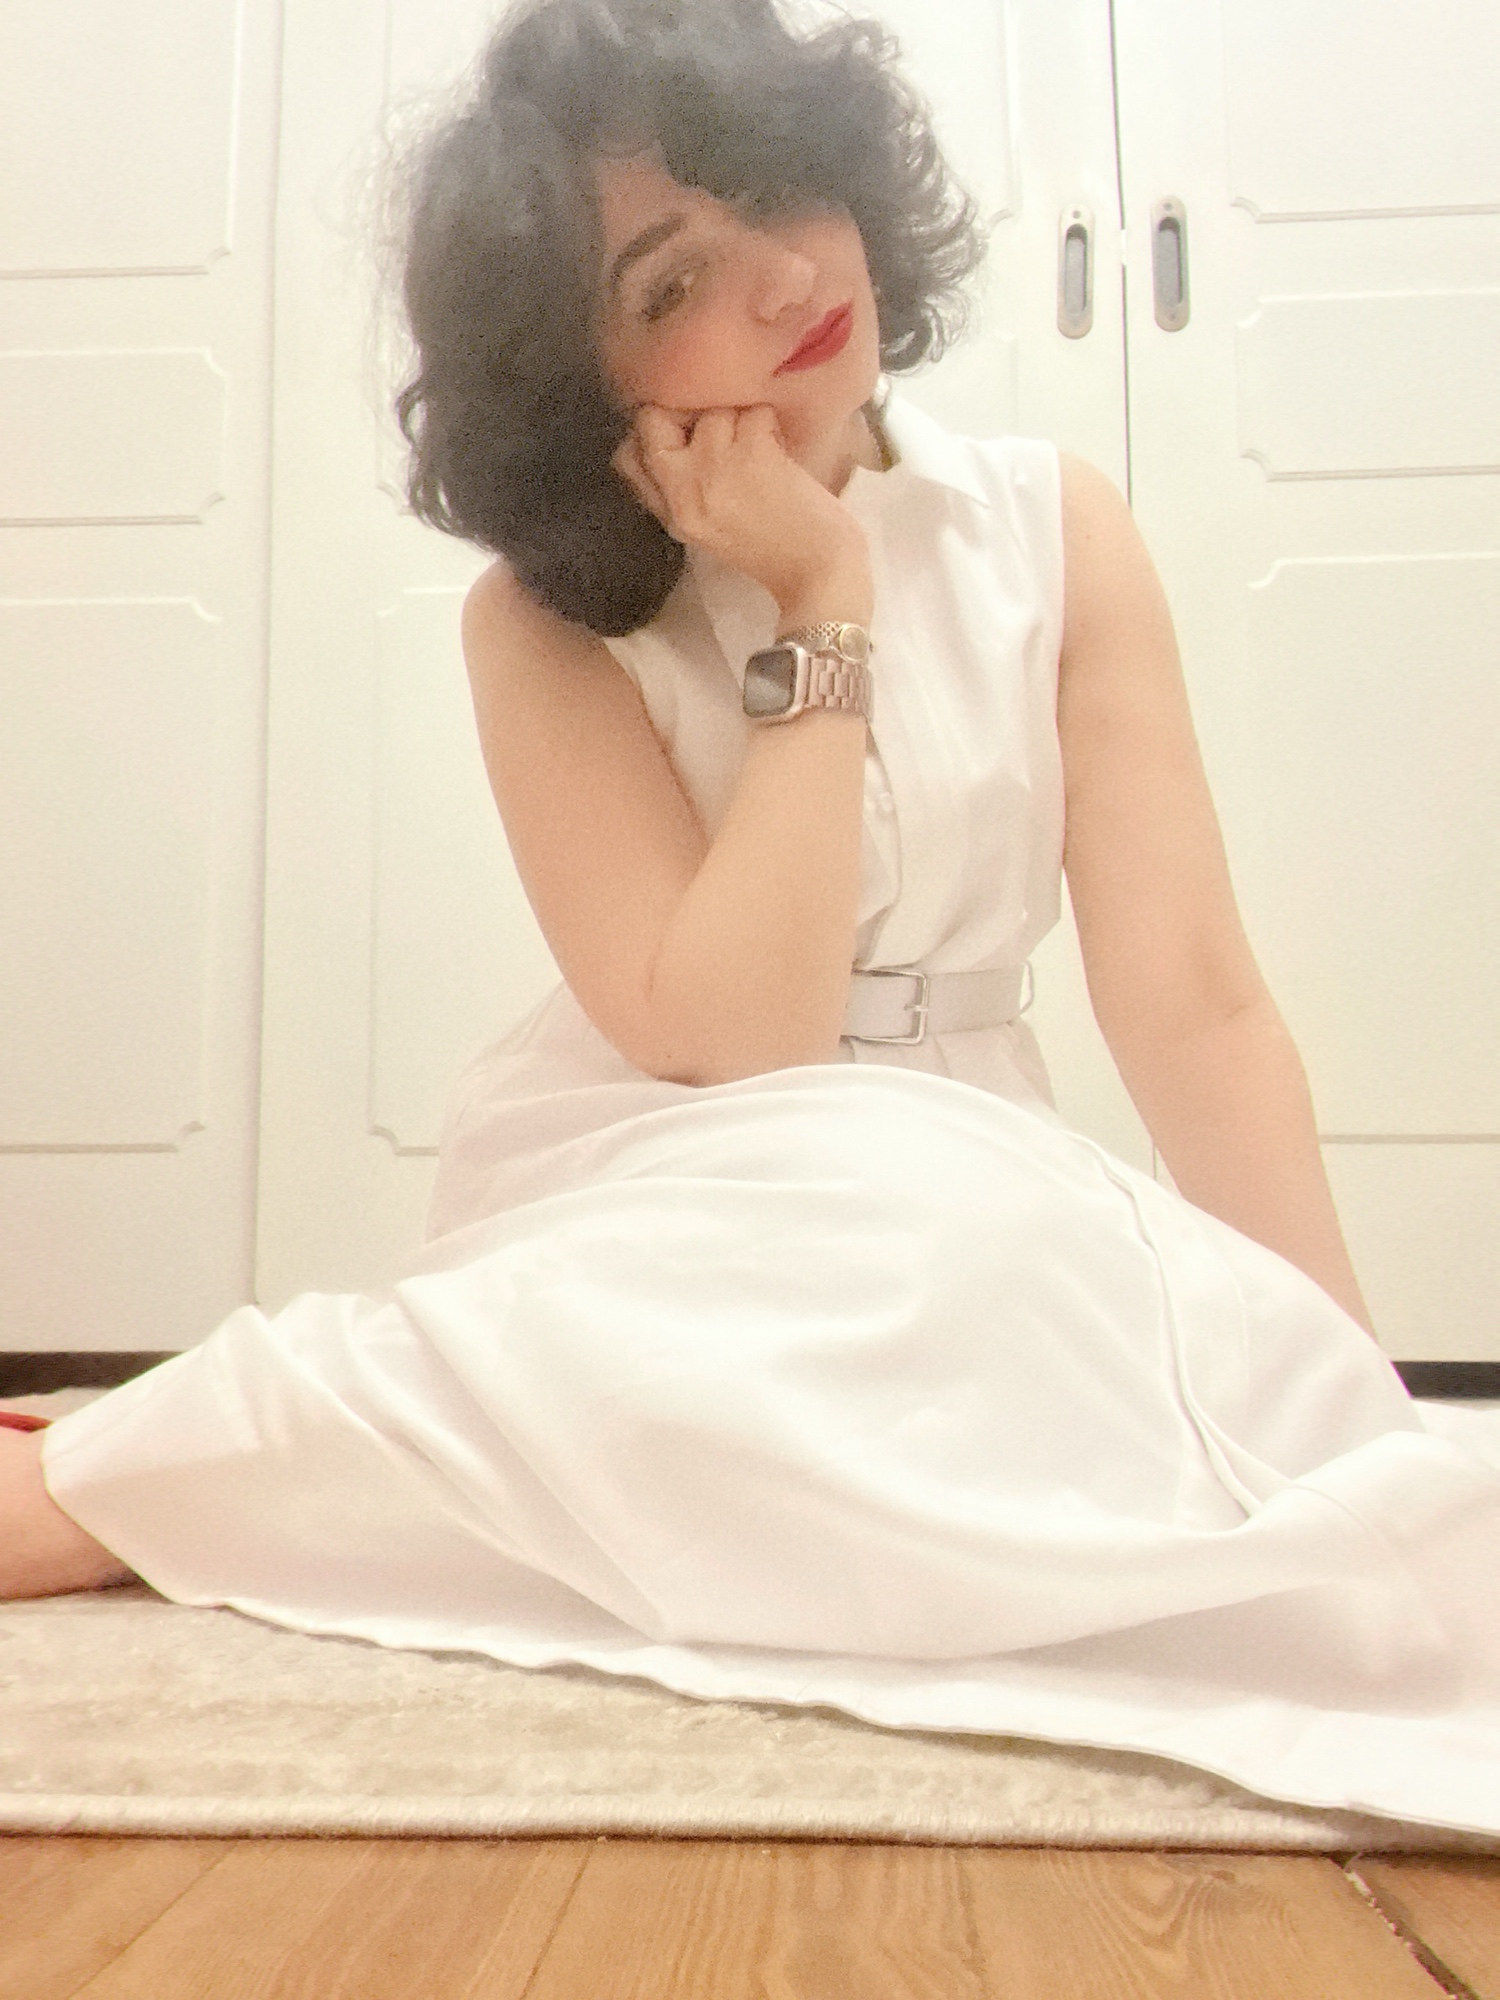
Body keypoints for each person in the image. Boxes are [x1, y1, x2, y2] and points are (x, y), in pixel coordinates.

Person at [3, 0, 1497, 1834]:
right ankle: (122, 1480)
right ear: (583, 383)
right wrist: (823, 601)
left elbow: (1195, 1001)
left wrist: (1350, 1401)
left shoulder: (1057, 528)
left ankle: (219, 1458)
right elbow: (743, 1043)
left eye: (785, 188)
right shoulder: (543, 626)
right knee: (730, 1331)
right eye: (671, 280)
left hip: (975, 1200)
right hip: (674, 1161)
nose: (785, 274)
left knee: (1037, 1355)